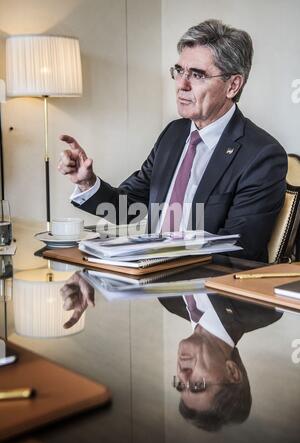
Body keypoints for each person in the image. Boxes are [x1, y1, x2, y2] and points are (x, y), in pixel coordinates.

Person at [58, 19, 287, 262]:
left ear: (233, 85)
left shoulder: (261, 155)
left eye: (197, 75)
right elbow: (129, 210)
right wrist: (87, 183)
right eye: (179, 71)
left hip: (208, 289)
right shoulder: (174, 134)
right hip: (156, 287)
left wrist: (156, 258)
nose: (182, 85)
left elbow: (239, 251)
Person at [160, 294, 282, 432]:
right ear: (232, 371)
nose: (182, 374)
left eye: (180, 385)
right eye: (197, 385)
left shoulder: (168, 301)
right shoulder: (265, 307)